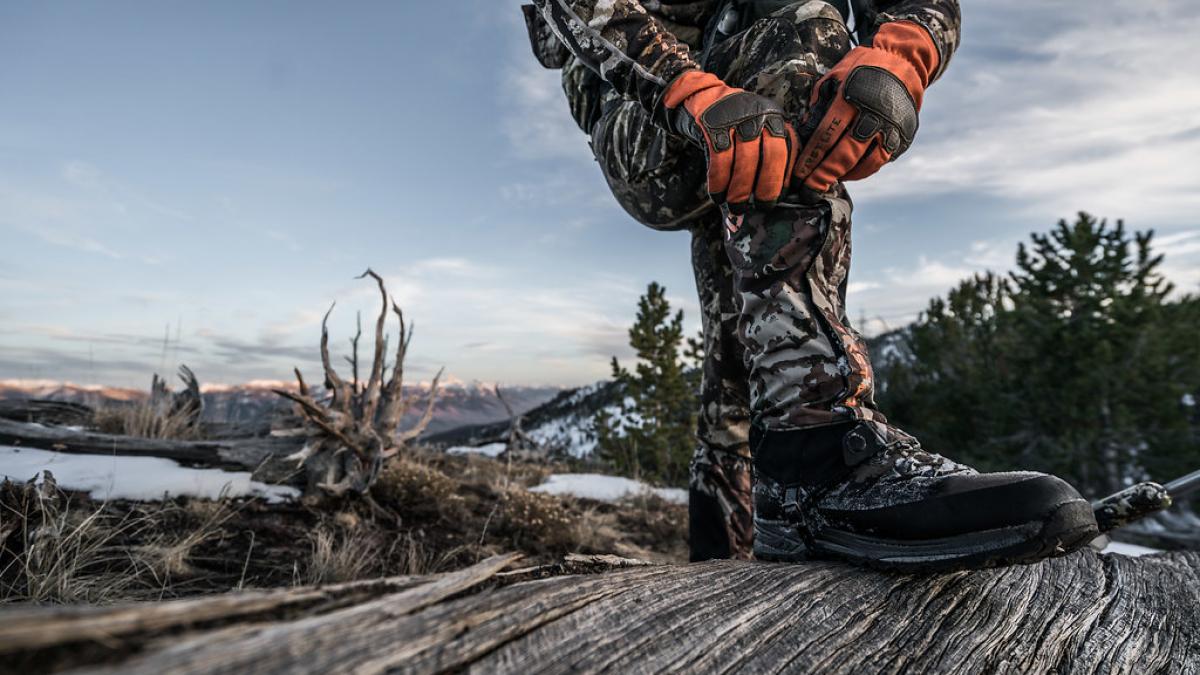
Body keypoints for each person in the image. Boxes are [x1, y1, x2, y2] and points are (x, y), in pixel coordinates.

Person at [523, 0, 1100, 569]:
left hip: (737, 92)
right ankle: (813, 451)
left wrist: (899, 58)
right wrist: (688, 91)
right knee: (806, 36)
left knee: (744, 317)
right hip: (639, 105)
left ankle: (726, 547)